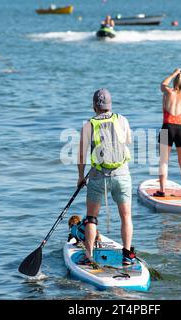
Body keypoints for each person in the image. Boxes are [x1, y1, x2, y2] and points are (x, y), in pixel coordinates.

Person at [77, 88, 136, 266]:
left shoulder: (89, 124)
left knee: (91, 218)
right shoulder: (122, 119)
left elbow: (81, 154)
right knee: (126, 216)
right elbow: (127, 142)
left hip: (98, 176)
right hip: (122, 174)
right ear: (110, 105)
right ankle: (127, 255)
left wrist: (81, 177)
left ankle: (88, 256)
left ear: (94, 105)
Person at [155, 69, 181, 201]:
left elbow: (162, 84)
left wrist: (173, 73)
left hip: (167, 128)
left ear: (175, 82)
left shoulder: (168, 92)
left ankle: (162, 191)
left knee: (164, 161)